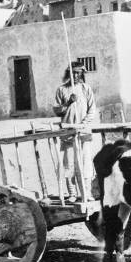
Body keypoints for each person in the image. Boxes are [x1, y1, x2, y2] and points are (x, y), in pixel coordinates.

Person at [53, 62, 97, 202]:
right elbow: (57, 111)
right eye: (73, 73)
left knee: (85, 164)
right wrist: (68, 103)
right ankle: (72, 194)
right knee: (69, 165)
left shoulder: (86, 88)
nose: (76, 75)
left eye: (78, 73)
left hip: (84, 133)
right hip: (67, 134)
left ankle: (87, 193)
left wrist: (83, 125)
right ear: (68, 74)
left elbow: (92, 110)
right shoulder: (61, 90)